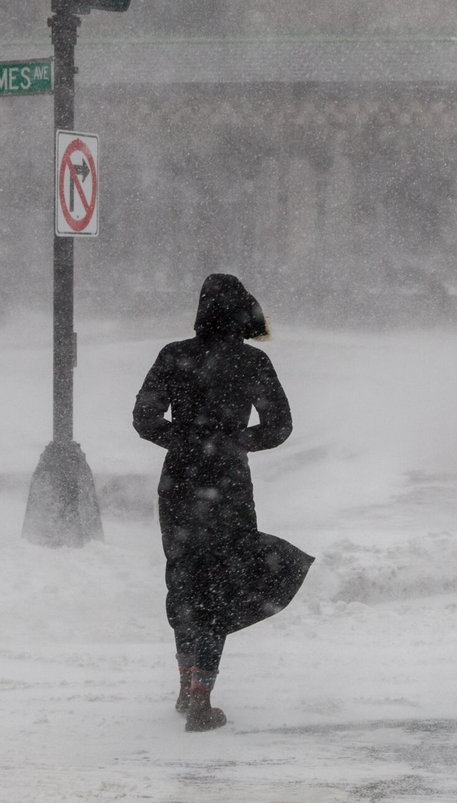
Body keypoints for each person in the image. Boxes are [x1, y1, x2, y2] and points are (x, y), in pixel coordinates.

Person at [133, 273, 313, 731]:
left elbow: (144, 418)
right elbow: (280, 425)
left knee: (184, 576)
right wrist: (233, 442)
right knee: (221, 580)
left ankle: (184, 681)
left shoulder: (174, 356)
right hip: (228, 484)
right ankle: (201, 697)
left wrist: (188, 441)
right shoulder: (252, 362)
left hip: (179, 484)